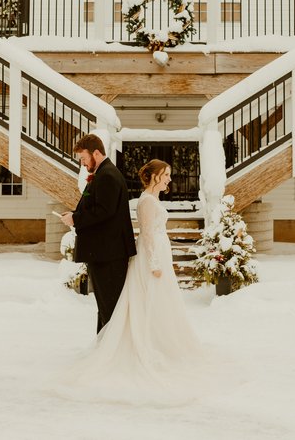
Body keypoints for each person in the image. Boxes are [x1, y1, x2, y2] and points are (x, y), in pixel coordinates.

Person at [55, 159, 203, 403]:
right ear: (154, 176)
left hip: (159, 255)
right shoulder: (146, 200)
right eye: (166, 174)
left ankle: (161, 341)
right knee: (148, 299)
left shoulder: (154, 199)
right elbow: (146, 234)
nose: (169, 179)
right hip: (149, 258)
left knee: (161, 302)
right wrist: (154, 264)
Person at [59, 133, 136, 334]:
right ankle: (105, 346)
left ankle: (112, 350)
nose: (83, 164)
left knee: (109, 305)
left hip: (108, 254)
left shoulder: (108, 175)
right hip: (105, 252)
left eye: (84, 158)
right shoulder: (102, 173)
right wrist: (75, 214)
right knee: (105, 305)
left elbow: (104, 211)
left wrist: (76, 219)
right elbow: (97, 206)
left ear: (95, 153)